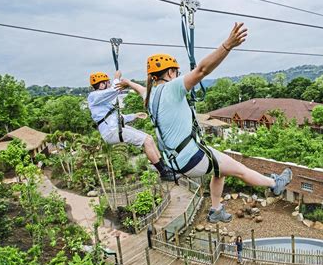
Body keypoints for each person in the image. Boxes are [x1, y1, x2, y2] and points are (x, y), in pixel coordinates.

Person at [117, 23, 292, 224]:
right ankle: (274, 184)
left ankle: (216, 209)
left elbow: (140, 88)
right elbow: (201, 71)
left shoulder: (150, 96)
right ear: (170, 73)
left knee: (220, 171)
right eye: (176, 71)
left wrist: (128, 83)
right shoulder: (172, 88)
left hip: (177, 162)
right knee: (240, 170)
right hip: (193, 157)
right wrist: (228, 45)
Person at [87, 70, 176, 181]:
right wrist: (116, 77)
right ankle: (163, 172)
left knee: (149, 138)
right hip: (111, 131)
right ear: (101, 84)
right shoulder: (93, 96)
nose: (110, 84)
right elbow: (114, 89)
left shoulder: (103, 102)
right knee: (146, 141)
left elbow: (118, 117)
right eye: (108, 82)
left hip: (115, 128)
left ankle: (165, 167)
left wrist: (135, 115)